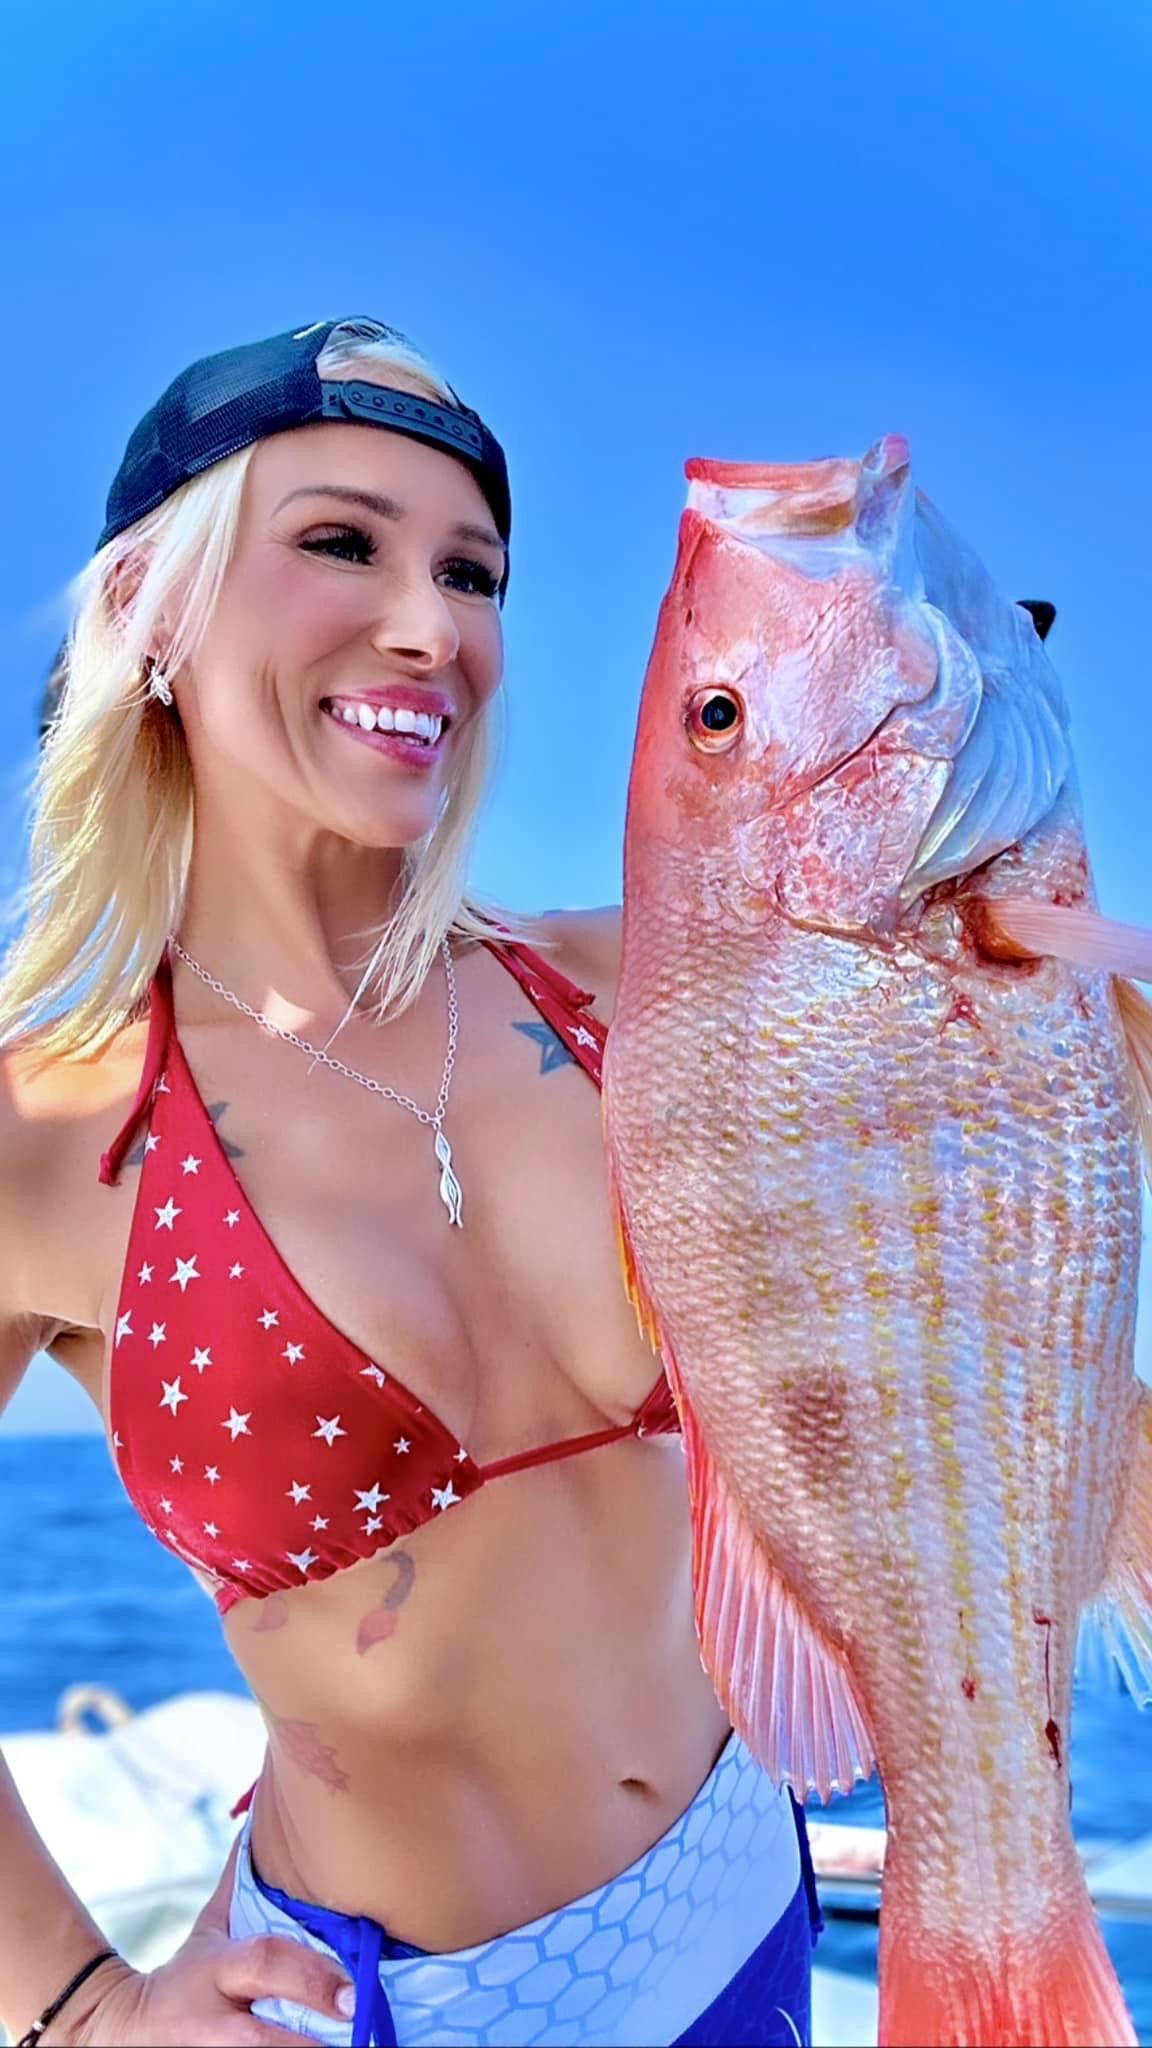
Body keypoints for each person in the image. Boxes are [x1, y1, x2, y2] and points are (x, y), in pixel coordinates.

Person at [0, 316, 821, 2048]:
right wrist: (77, 2005)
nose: (430, 627)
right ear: (149, 606)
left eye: (472, 572)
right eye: (340, 542)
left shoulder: (628, 987)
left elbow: (1017, 1035)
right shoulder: (53, 1130)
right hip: (392, 2009)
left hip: (743, 1912)